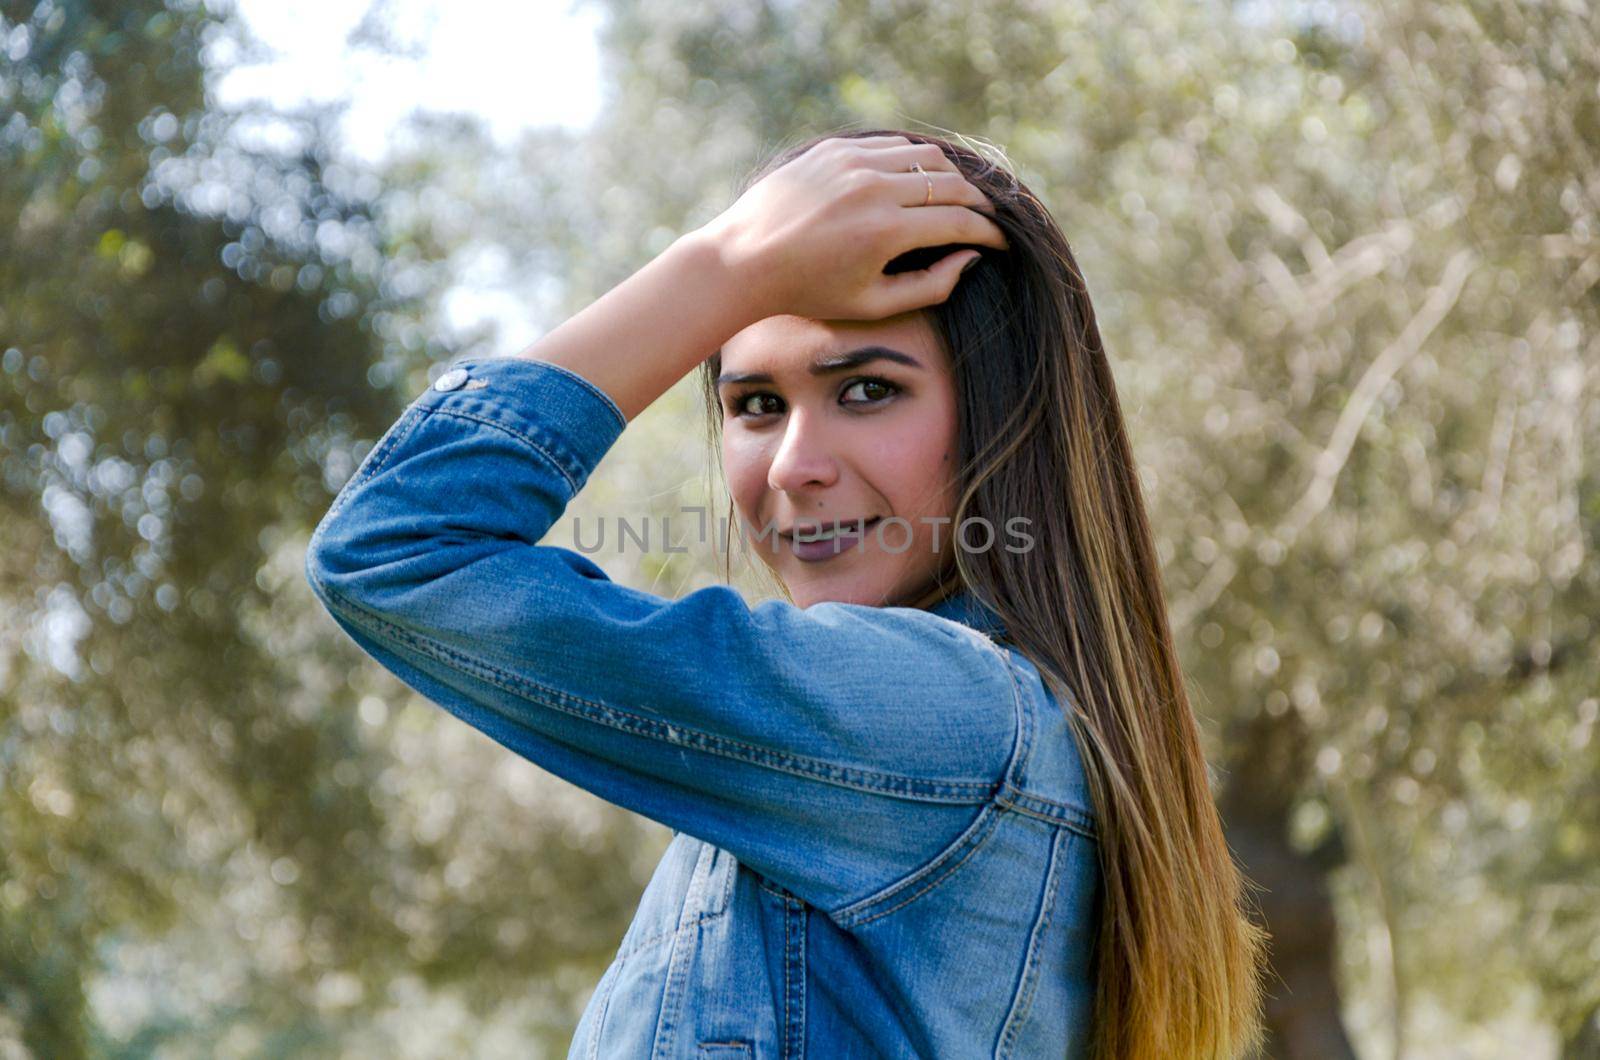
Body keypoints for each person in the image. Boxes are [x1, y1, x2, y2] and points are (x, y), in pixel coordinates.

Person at [305, 128, 1268, 1059]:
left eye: (867, 390)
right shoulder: (973, 731)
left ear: (1003, 416)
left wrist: (726, 264)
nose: (796, 467)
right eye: (755, 405)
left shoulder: (940, 724)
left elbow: (395, 544)